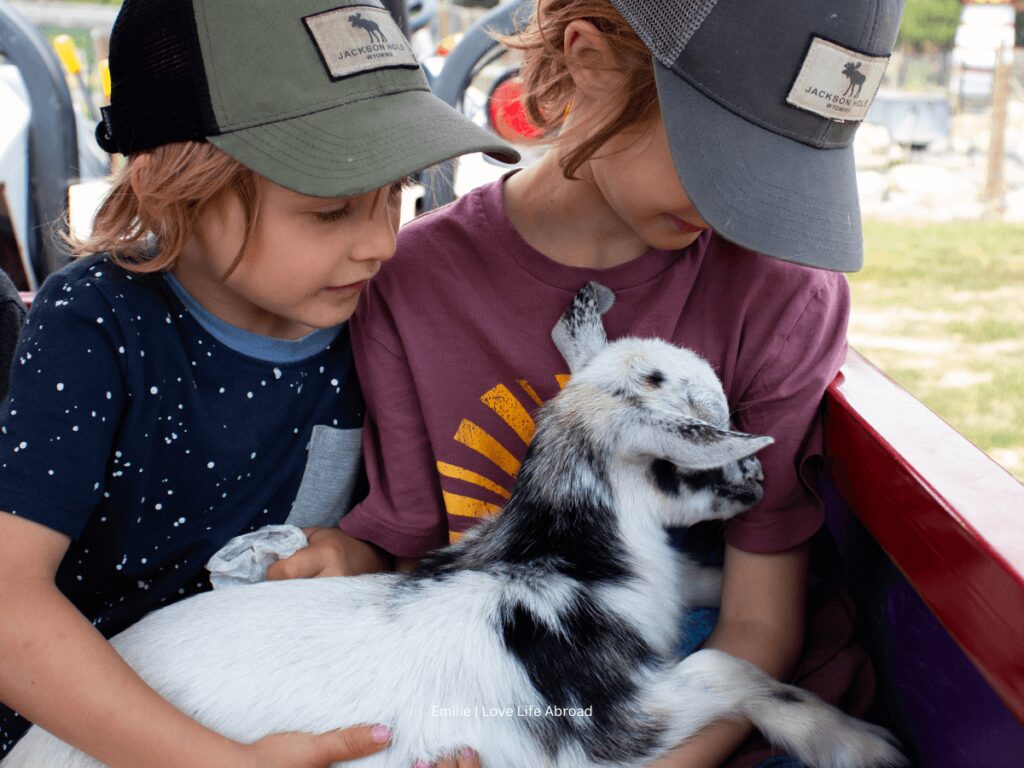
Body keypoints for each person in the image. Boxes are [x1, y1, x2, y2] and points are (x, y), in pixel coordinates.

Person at [276, 0, 903, 766]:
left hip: (732, 722)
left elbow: (759, 621)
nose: (742, 209)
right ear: (590, 59)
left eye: (783, 172)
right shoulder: (410, 286)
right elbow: (428, 574)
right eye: (728, 154)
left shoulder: (785, 296)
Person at [0, 0, 516, 765]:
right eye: (331, 208)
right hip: (90, 734)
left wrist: (360, 557)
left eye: (399, 195)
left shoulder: (385, 312)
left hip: (299, 699)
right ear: (178, 187)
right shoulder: (95, 323)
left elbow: (420, 539)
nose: (380, 242)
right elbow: (10, 604)